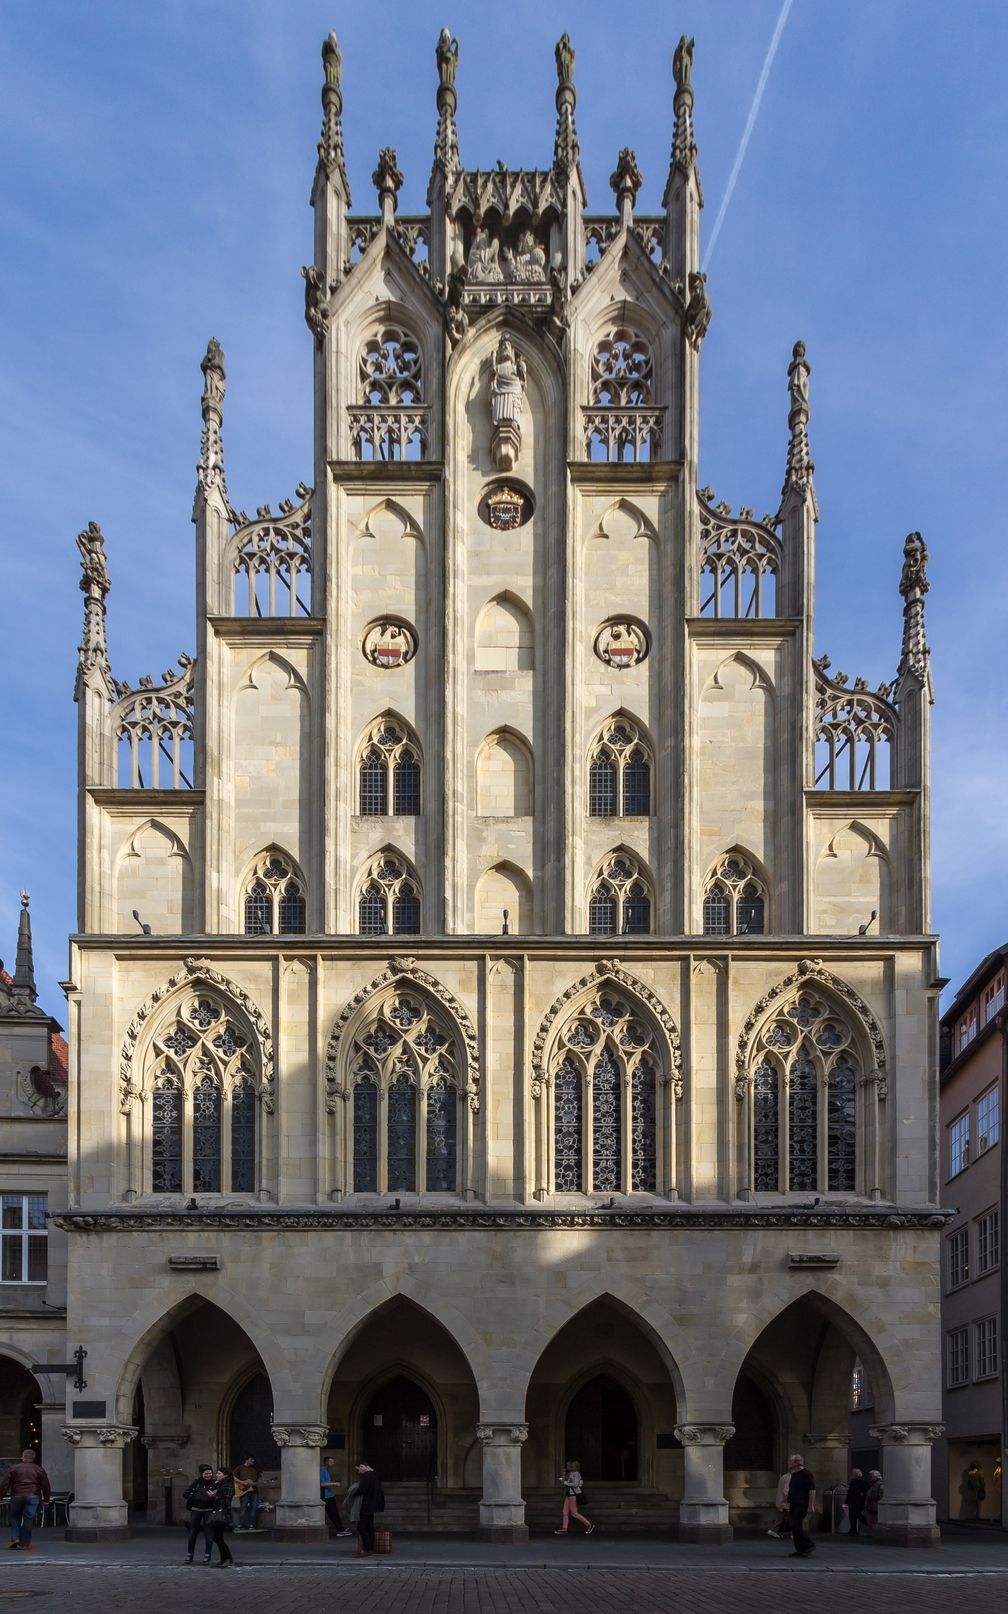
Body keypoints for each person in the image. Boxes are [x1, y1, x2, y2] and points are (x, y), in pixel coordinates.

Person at [0, 1448, 51, 1551]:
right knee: (28, 1519)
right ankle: (25, 1543)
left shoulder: (14, 1468)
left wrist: (0, 1496)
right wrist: (46, 1499)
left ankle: (15, 1538)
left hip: (17, 1495)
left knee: (15, 1517)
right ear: (33, 1458)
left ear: (23, 1457)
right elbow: (46, 1486)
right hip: (33, 1496)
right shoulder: (39, 1469)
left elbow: (4, 1484)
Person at [183, 1464, 218, 1563]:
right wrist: (195, 1498)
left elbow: (219, 1497)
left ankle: (207, 1555)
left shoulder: (215, 1483)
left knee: (208, 1533)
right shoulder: (197, 1482)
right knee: (193, 1533)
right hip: (196, 1510)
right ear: (201, 1474)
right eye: (206, 1473)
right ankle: (190, 1554)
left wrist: (213, 1497)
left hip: (208, 1510)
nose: (208, 1475)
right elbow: (185, 1493)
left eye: (210, 1473)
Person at [783, 1452, 816, 1558]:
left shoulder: (806, 1474)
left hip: (801, 1504)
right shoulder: (794, 1474)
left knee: (795, 1526)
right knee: (794, 1527)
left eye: (790, 1461)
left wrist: (811, 1505)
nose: (788, 1463)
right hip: (793, 1503)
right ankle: (801, 1549)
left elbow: (812, 1490)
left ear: (796, 1462)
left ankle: (809, 1545)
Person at [554, 1459, 594, 1536]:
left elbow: (575, 1484)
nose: (568, 1467)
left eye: (570, 1466)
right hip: (568, 1494)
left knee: (574, 1513)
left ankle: (589, 1525)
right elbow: (566, 1480)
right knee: (565, 1512)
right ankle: (564, 1529)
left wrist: (565, 1482)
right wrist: (563, 1476)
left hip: (573, 1495)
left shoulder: (577, 1474)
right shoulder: (570, 1473)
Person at [206, 1470, 235, 1567]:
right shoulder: (220, 1484)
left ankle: (227, 1558)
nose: (216, 1475)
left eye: (219, 1473)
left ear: (225, 1475)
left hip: (223, 1513)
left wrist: (214, 1496)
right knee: (217, 1537)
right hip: (217, 1512)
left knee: (217, 1537)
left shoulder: (228, 1486)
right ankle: (226, 1558)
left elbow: (226, 1501)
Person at [353, 1460, 382, 1557]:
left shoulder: (367, 1476)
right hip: (373, 1504)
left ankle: (367, 1549)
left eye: (358, 1469)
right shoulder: (375, 1475)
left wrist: (353, 1492)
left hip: (366, 1504)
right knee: (369, 1526)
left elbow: (362, 1490)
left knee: (361, 1527)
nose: (358, 1472)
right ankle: (370, 1548)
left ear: (362, 1466)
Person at [232, 1454, 260, 1531]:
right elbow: (233, 1477)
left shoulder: (255, 1469)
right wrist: (243, 1483)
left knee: (254, 1508)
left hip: (254, 1491)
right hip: (243, 1491)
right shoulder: (240, 1468)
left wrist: (256, 1483)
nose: (253, 1461)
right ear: (247, 1460)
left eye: (253, 1460)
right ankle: (240, 1524)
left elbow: (258, 1480)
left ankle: (252, 1524)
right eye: (251, 1459)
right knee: (243, 1508)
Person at [320, 1454, 346, 1535]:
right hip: (326, 1496)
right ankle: (340, 1530)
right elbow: (322, 1484)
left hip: (330, 1495)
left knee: (334, 1513)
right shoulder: (322, 1471)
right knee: (333, 1513)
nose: (333, 1463)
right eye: (332, 1462)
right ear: (326, 1462)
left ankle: (341, 1529)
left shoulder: (326, 1471)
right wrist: (334, 1483)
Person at [767, 1466, 790, 1539]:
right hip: (786, 1503)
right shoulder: (791, 1478)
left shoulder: (784, 1477)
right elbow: (787, 1491)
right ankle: (794, 1534)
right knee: (793, 1517)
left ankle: (773, 1530)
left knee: (779, 1518)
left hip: (780, 1501)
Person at [845, 1467, 868, 1536]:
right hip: (852, 1501)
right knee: (851, 1516)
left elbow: (863, 1493)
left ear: (857, 1475)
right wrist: (847, 1501)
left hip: (858, 1502)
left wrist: (860, 1497)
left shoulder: (863, 1482)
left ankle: (868, 1524)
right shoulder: (853, 1482)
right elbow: (850, 1492)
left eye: (852, 1474)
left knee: (857, 1514)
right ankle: (853, 1529)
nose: (851, 1475)